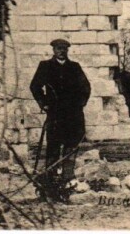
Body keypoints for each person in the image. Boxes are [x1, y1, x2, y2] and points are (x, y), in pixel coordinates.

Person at [29, 38, 91, 194]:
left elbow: (86, 87)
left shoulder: (75, 67)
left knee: (72, 144)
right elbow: (35, 86)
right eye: (58, 48)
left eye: (64, 48)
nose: (61, 51)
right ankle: (51, 178)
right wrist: (43, 103)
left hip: (73, 113)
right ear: (53, 50)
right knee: (54, 144)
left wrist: (80, 103)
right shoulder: (45, 66)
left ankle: (68, 177)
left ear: (68, 50)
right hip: (55, 113)